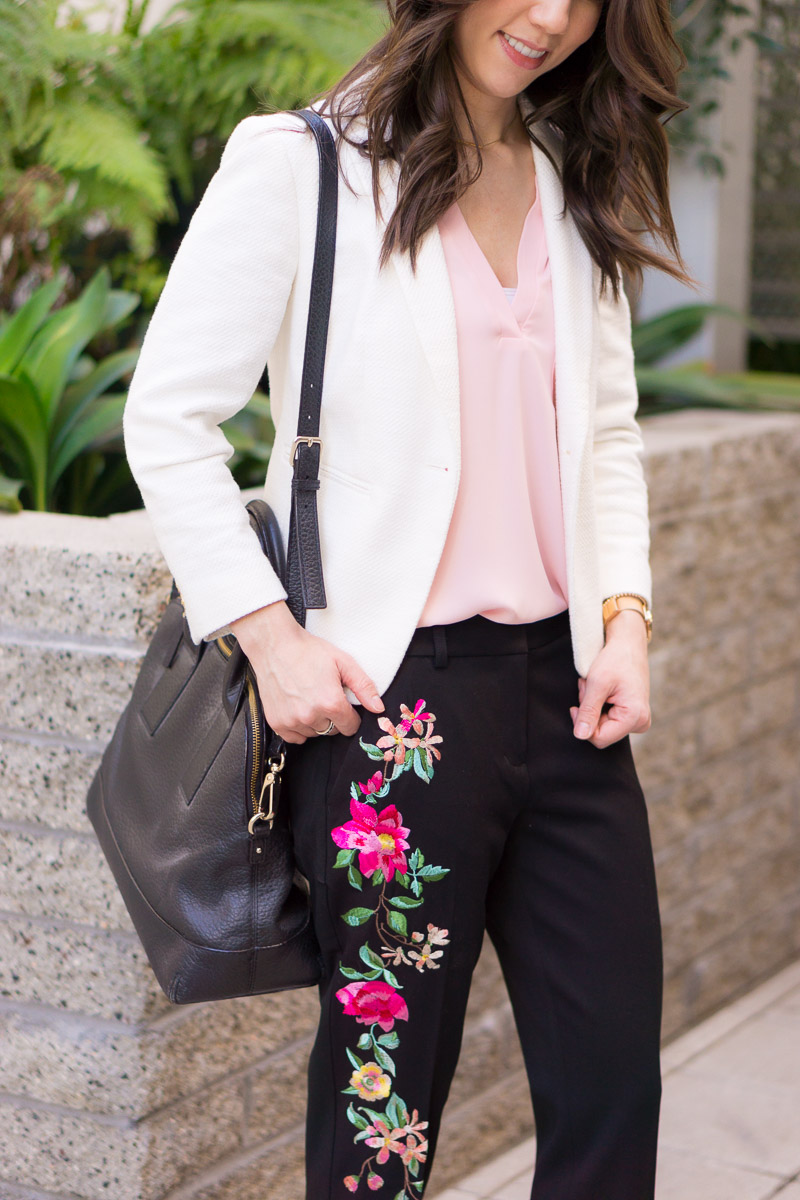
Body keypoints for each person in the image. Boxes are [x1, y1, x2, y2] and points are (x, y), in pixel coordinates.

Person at [122, 2, 695, 1196]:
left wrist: (627, 620)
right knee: (379, 1128)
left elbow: (603, 432)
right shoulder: (301, 165)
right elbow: (167, 420)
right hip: (393, 715)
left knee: (610, 1095)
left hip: (569, 704)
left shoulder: (561, 172)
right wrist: (271, 639)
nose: (550, 17)